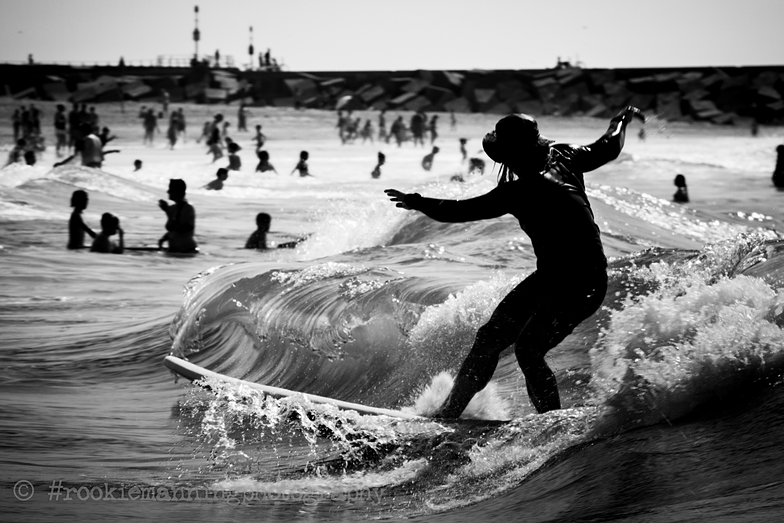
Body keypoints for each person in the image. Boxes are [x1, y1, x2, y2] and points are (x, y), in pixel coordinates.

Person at [384, 106, 645, 417]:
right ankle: (450, 411)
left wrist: (419, 202)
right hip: (551, 277)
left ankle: (551, 421)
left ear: (510, 156)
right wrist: (621, 120)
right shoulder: (565, 157)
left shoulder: (521, 190)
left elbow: (461, 211)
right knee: (488, 339)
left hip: (583, 282)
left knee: (528, 351)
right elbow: (610, 145)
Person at [158, 179, 197, 253]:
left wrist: (167, 211)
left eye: (170, 189)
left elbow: (180, 228)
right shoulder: (173, 208)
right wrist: (164, 238)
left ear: (177, 192)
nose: (168, 191)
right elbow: (173, 231)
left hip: (187, 252)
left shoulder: (188, 209)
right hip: (175, 251)